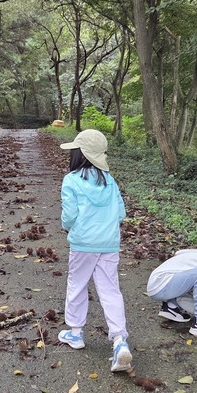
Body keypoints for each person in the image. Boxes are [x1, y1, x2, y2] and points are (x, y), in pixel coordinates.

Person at [55, 130, 132, 373]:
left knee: (77, 285)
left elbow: (69, 216)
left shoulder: (72, 180)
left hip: (83, 244)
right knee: (110, 289)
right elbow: (120, 213)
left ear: (80, 154)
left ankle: (76, 333)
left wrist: (68, 227)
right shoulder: (110, 181)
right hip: (109, 243)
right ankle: (120, 341)